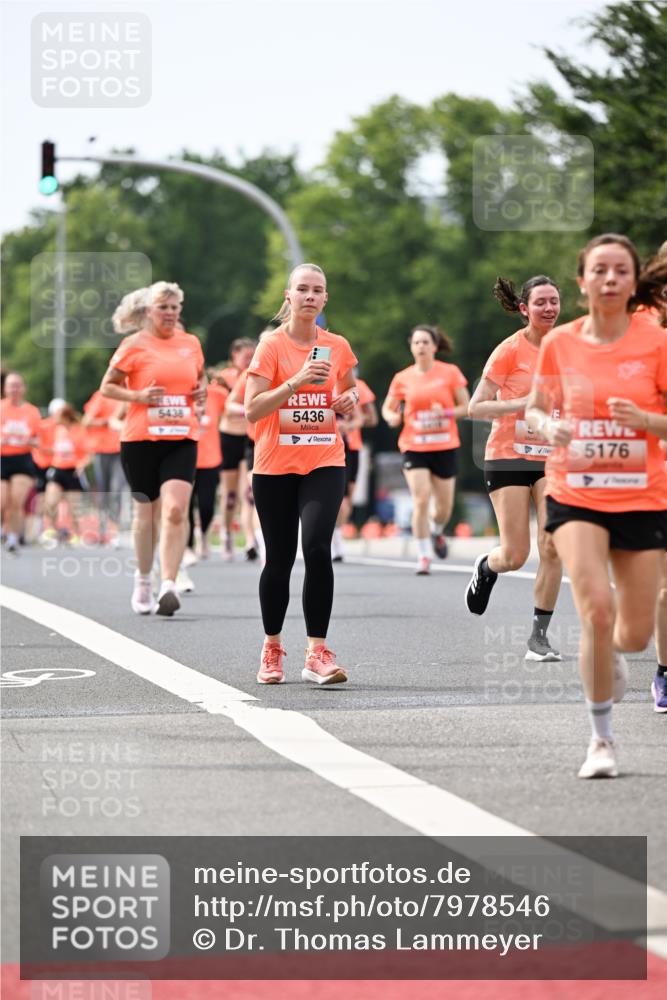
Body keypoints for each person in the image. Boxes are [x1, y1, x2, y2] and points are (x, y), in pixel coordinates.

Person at [524, 234, 667, 778]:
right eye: (599, 270)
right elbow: (535, 408)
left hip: (640, 495)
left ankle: (612, 660)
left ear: (634, 283)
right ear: (582, 281)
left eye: (621, 271)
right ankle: (601, 740)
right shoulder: (560, 343)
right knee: (595, 611)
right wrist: (549, 425)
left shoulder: (656, 342)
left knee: (631, 634)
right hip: (575, 491)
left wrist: (647, 423)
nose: (610, 279)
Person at [245, 263, 358, 685]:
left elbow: (350, 388)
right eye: (303, 290)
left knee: (316, 548)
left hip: (324, 460)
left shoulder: (337, 345)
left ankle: (317, 652)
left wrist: (349, 398)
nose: (311, 297)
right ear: (288, 297)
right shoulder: (271, 346)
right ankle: (272, 648)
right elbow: (252, 409)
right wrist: (295, 381)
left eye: (318, 291)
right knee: (279, 558)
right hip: (274, 465)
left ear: (325, 299)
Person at [465, 276, 563, 661]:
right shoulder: (509, 351)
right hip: (508, 455)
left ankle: (538, 638)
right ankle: (489, 566)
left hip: (553, 458)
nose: (549, 309)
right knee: (516, 554)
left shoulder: (568, 348)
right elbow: (476, 407)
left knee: (553, 546)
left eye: (554, 301)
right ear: (524, 309)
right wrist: (519, 405)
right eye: (540, 302)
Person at [100, 281, 206, 616]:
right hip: (141, 439)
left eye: (176, 308)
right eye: (164, 307)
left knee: (175, 511)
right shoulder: (133, 345)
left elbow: (198, 380)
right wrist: (139, 397)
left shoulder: (191, 343)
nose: (171, 313)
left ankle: (169, 584)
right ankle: (143, 579)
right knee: (145, 516)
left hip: (181, 438)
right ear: (149, 311)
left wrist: (200, 393)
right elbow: (108, 387)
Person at [382, 325, 469, 574]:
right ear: (411, 347)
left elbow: (466, 406)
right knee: (420, 499)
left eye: (425, 342)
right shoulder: (402, 377)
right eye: (416, 342)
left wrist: (448, 412)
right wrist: (391, 417)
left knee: (443, 509)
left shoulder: (450, 373)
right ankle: (423, 556)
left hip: (444, 444)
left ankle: (436, 531)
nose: (421, 346)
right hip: (414, 445)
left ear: (434, 346)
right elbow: (388, 408)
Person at [182, 375, 229, 577]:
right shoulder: (180, 394)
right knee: (185, 506)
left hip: (211, 459)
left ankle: (204, 535)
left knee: (207, 505)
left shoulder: (217, 395)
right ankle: (188, 546)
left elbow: (238, 405)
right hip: (184, 459)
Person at [216, 338, 257, 561]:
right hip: (230, 436)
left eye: (253, 355)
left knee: (248, 492)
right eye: (246, 356)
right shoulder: (225, 378)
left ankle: (251, 539)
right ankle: (226, 533)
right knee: (230, 494)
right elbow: (224, 407)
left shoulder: (260, 372)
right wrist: (248, 410)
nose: (250, 360)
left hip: (250, 438)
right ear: (235, 357)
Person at [332, 371, 378, 562]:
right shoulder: (319, 382)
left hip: (352, 446)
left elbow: (370, 418)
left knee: (347, 497)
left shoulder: (357, 387)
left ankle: (337, 533)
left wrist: (349, 426)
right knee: (336, 497)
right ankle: (334, 539)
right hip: (328, 447)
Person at [0, 372, 40, 552]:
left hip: (22, 460)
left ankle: (13, 539)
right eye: (11, 385)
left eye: (17, 385)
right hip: (2, 457)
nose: (14, 389)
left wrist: (26, 440)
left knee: (16, 501)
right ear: (5, 389)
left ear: (23, 388)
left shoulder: (32, 411)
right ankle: (3, 528)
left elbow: (39, 439)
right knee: (2, 501)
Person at [82, 388, 128, 544]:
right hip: (102, 451)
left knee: (117, 489)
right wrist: (106, 421)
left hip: (121, 450)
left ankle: (115, 530)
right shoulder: (102, 395)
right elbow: (86, 421)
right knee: (104, 491)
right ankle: (103, 529)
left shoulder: (130, 394)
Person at [43, 403, 91, 544]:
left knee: (73, 508)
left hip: (73, 472)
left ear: (65, 416)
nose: (54, 418)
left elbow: (89, 453)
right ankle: (51, 530)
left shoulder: (79, 430)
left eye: (57, 415)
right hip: (58, 470)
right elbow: (41, 431)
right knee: (51, 501)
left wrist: (82, 464)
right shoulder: (55, 430)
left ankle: (76, 535)